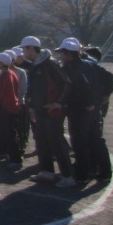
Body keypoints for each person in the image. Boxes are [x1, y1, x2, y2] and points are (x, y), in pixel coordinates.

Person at [56, 38, 112, 184]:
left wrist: (88, 103)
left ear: (68, 54)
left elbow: (82, 85)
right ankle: (105, 172)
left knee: (79, 143)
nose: (60, 56)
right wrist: (105, 95)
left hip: (79, 111)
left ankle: (83, 174)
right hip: (94, 111)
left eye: (62, 53)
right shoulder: (91, 64)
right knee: (97, 140)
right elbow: (109, 77)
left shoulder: (70, 68)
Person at [21, 36, 74, 188]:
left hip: (52, 112)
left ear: (31, 48)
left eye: (24, 49)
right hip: (39, 111)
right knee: (41, 140)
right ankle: (46, 171)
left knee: (56, 142)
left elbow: (66, 84)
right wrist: (31, 108)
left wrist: (59, 103)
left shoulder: (49, 64)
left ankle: (67, 175)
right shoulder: (34, 66)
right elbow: (31, 89)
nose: (23, 52)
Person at [0, 52, 22, 170]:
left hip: (6, 109)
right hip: (13, 108)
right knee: (11, 134)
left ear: (2, 63)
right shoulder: (12, 74)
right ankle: (12, 156)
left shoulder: (3, 77)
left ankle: (15, 159)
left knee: (10, 135)